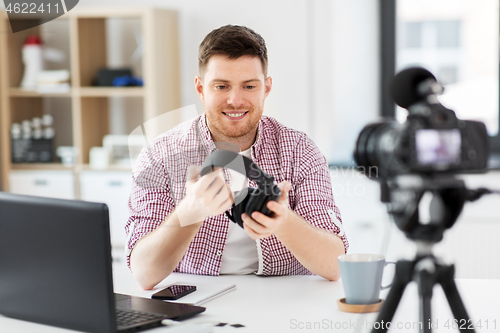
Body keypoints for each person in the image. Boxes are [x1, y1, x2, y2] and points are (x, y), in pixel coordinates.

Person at [126, 25, 348, 290]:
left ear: (266, 88)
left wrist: (283, 221)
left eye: (249, 86)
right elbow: (143, 273)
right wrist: (190, 212)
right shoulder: (159, 155)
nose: (235, 100)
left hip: (285, 297)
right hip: (195, 299)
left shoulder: (301, 150)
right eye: (221, 86)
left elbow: (336, 265)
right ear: (200, 89)